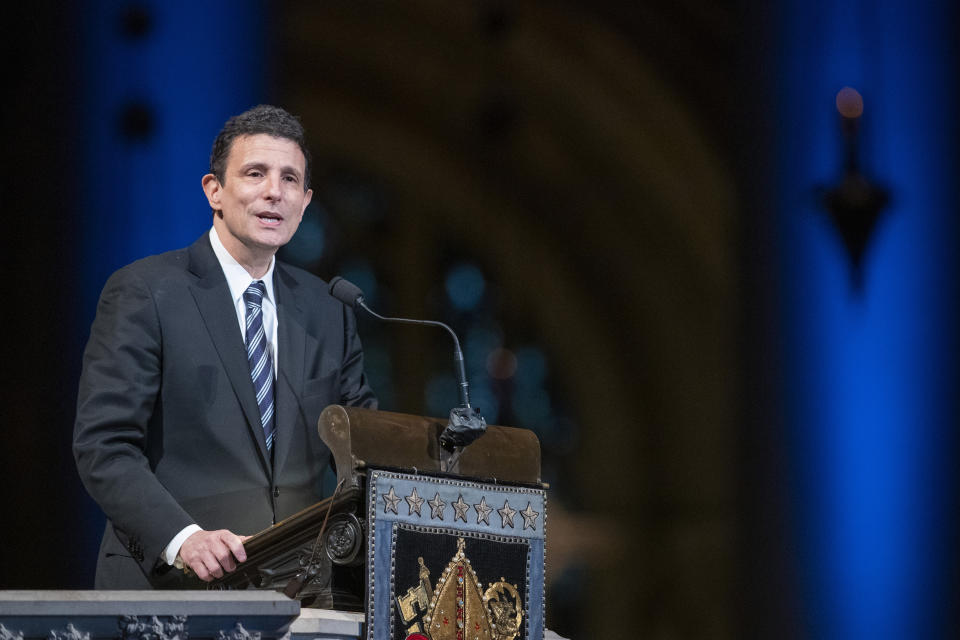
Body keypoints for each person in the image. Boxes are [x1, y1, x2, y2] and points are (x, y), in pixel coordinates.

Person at [73, 105, 376, 588]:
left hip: (295, 598)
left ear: (305, 200)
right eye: (255, 173)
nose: (274, 191)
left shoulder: (329, 310)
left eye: (290, 179)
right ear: (214, 190)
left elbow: (367, 448)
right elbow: (104, 447)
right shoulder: (146, 292)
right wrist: (183, 538)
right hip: (168, 590)